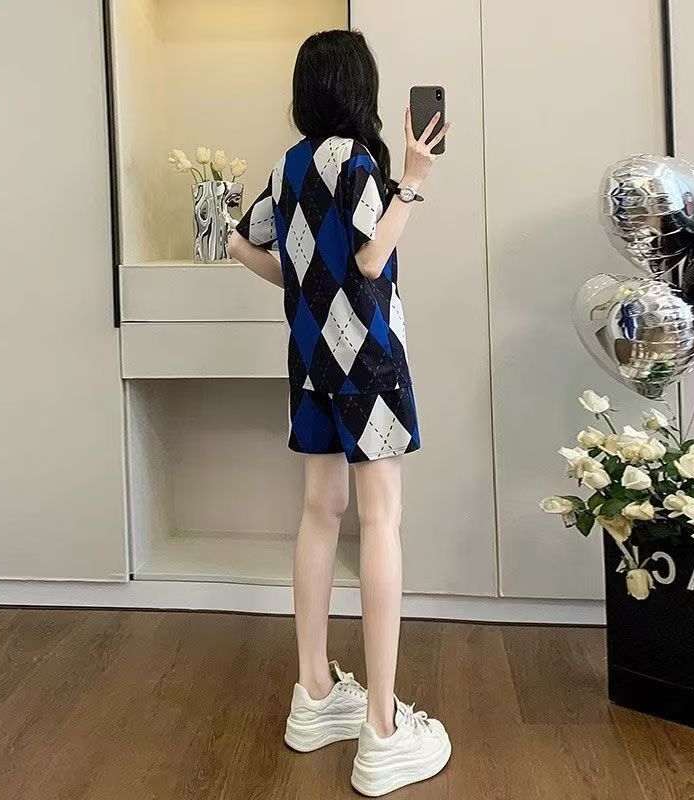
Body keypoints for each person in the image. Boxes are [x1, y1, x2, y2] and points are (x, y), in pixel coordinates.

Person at [228, 28, 451, 797]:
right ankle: (382, 732)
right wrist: (412, 182)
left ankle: (315, 692)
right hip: (368, 364)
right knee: (380, 522)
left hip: (310, 363)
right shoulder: (356, 160)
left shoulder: (289, 165)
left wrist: (301, 290)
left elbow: (247, 249)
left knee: (319, 515)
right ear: (359, 88)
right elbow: (370, 258)